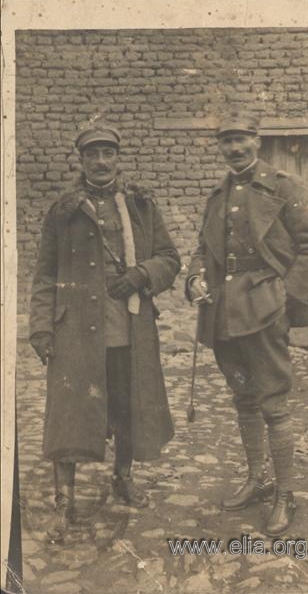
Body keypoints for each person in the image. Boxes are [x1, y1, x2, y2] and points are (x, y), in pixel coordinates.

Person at [29, 124, 181, 543]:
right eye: (92, 153)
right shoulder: (63, 210)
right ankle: (65, 500)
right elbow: (44, 273)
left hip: (129, 325)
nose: (100, 161)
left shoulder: (139, 205)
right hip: (75, 329)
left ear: (118, 157)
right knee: (69, 413)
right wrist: (41, 327)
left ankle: (123, 477)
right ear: (81, 160)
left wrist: (140, 274)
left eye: (108, 153)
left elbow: (170, 258)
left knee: (127, 404)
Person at [186, 111, 308, 536]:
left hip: (265, 309)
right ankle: (257, 478)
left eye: (241, 140)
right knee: (243, 397)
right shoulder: (218, 194)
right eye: (226, 141)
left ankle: (285, 492)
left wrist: (286, 297)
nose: (234, 148)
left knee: (273, 401)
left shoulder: (284, 187)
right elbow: (203, 248)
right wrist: (195, 277)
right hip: (223, 312)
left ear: (257, 140)